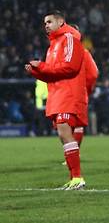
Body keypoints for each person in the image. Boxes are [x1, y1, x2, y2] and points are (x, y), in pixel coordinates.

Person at [25, 10, 87, 190]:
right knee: (63, 135)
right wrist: (36, 71)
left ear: (61, 22)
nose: (46, 25)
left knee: (64, 132)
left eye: (50, 21)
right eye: (45, 22)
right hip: (58, 94)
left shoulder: (69, 38)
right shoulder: (53, 46)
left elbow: (70, 68)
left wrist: (42, 66)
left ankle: (77, 177)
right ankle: (74, 178)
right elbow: (52, 74)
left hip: (68, 94)